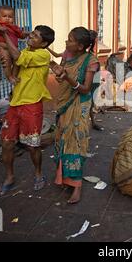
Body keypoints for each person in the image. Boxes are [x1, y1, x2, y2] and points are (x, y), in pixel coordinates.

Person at [0, 25, 55, 196]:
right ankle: (9, 177)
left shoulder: (43, 54)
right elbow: (14, 68)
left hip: (32, 105)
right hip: (15, 104)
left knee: (32, 145)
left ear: (44, 43)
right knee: (6, 143)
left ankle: (38, 173)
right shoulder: (28, 50)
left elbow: (17, 56)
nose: (31, 36)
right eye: (33, 33)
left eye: (36, 36)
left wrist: (6, 32)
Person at [50, 27, 100, 204]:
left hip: (79, 105)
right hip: (64, 102)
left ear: (79, 46)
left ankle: (77, 185)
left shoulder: (91, 61)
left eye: (70, 40)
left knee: (76, 142)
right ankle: (65, 178)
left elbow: (85, 88)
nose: (66, 42)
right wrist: (58, 75)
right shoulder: (66, 56)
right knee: (62, 139)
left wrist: (67, 78)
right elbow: (61, 77)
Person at [0, 5, 29, 84]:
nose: (7, 18)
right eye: (4, 16)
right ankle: (9, 77)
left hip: (14, 49)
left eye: (10, 17)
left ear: (13, 18)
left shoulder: (14, 27)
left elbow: (21, 35)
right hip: (4, 49)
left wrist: (29, 33)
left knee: (18, 62)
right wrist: (0, 28)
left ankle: (14, 76)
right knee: (6, 63)